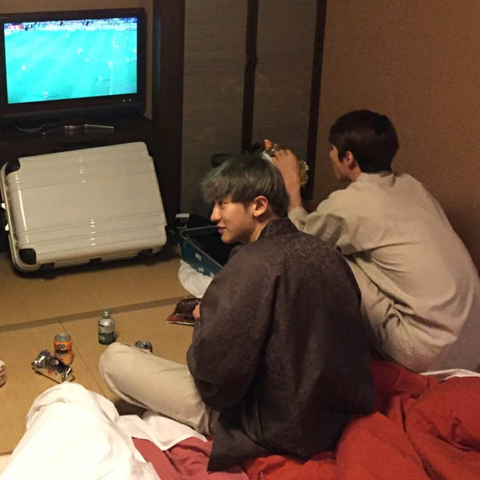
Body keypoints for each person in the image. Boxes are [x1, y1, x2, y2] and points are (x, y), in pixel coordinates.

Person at [99, 155, 375, 471]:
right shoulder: (327, 252)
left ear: (258, 206)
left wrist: (204, 319)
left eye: (223, 204)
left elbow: (215, 380)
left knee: (115, 360)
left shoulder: (251, 264)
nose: (214, 215)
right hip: (333, 418)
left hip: (268, 425)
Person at [273, 109, 480, 373]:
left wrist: (291, 186)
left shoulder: (351, 204)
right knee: (360, 252)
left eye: (333, 149)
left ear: (348, 157)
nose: (330, 155)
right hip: (471, 342)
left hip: (426, 349)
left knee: (331, 256)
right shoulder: (411, 185)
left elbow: (301, 239)